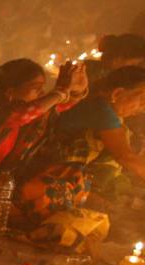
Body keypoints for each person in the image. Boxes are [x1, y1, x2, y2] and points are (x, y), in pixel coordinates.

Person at [15, 66, 145, 242]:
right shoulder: (102, 111)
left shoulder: (104, 110)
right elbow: (125, 156)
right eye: (141, 99)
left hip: (50, 181)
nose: (143, 107)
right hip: (38, 184)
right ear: (118, 93)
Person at [0, 59, 89, 216]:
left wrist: (75, 90)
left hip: (4, 189)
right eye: (36, 89)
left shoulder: (23, 114)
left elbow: (52, 107)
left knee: (73, 174)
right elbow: (27, 113)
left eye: (42, 89)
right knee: (49, 196)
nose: (42, 94)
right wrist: (60, 92)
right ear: (10, 93)